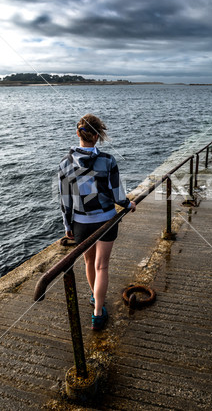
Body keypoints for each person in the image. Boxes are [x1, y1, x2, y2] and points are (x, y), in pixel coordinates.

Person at [58, 114, 136, 330]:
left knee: (89, 263)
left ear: (78, 134)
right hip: (106, 220)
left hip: (81, 223)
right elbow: (117, 194)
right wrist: (128, 205)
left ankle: (95, 296)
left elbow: (65, 201)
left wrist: (67, 227)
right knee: (102, 266)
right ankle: (98, 312)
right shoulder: (108, 160)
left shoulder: (65, 163)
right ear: (97, 136)